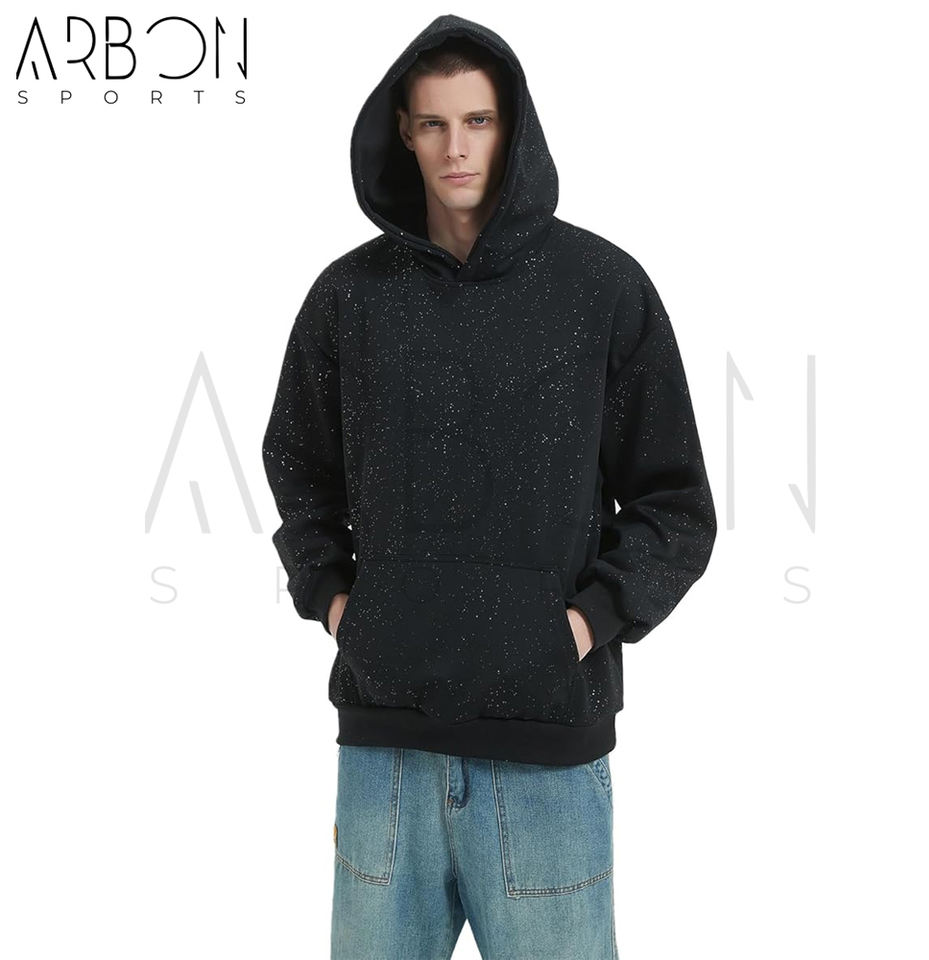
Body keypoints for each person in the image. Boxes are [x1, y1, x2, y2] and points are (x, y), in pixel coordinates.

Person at [262, 13, 717, 960]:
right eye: (434, 124)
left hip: (546, 761)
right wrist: (343, 606)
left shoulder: (602, 286)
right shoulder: (348, 296)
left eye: (477, 121)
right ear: (404, 131)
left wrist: (579, 627)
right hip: (385, 756)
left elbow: (675, 506)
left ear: (513, 128)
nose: (456, 148)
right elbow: (297, 467)